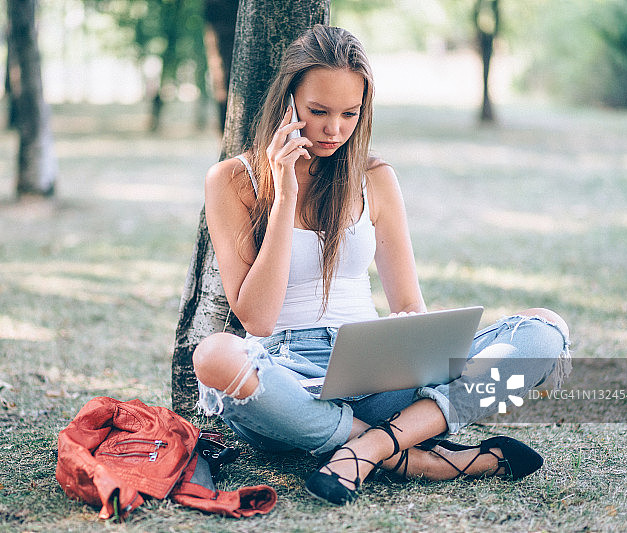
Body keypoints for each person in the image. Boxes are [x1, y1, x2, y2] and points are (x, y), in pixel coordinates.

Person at [192, 24, 571, 505]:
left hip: (373, 369)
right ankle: (421, 457)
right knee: (214, 357)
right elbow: (258, 319)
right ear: (286, 105)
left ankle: (370, 446)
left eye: (350, 113)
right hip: (284, 379)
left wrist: (414, 344)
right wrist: (285, 191)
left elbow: (409, 304)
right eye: (318, 112)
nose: (334, 130)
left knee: (544, 331)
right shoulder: (232, 181)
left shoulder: (375, 178)